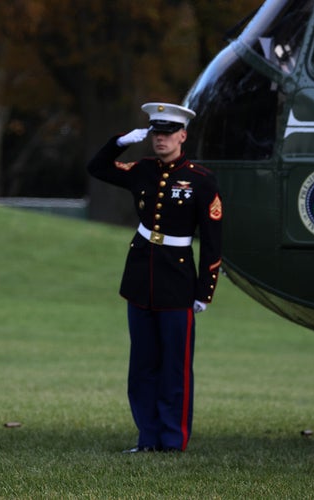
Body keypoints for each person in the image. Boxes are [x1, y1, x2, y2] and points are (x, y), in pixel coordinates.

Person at [86, 102, 222, 453]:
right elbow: (96, 167)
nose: (160, 139)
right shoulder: (142, 170)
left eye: (167, 133)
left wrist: (205, 290)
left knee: (175, 368)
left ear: (183, 136)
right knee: (143, 367)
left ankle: (173, 440)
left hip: (178, 282)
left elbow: (212, 241)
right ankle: (147, 438)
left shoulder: (201, 181)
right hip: (140, 279)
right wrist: (121, 141)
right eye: (155, 133)